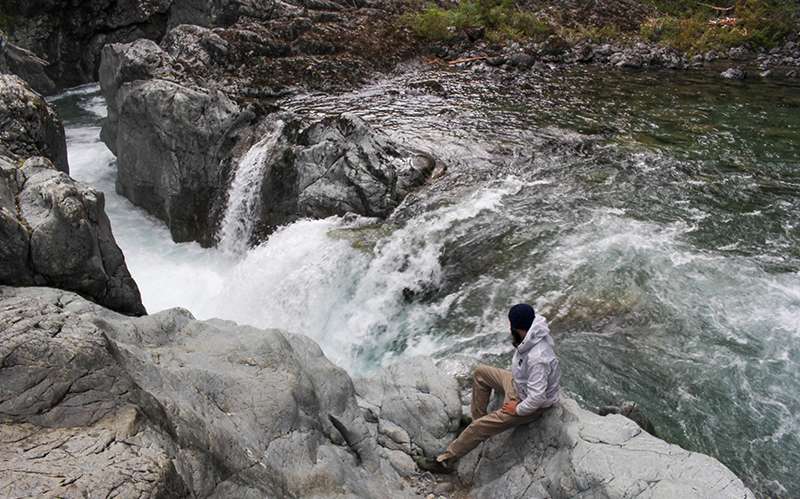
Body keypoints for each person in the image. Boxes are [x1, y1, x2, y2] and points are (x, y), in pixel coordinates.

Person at [427, 303, 561, 472]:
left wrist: (517, 408)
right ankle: (478, 420)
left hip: (529, 405)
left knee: (478, 428)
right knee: (481, 373)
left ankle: (445, 460)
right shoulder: (530, 336)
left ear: (516, 327)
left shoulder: (537, 358)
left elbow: (537, 398)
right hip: (518, 385)